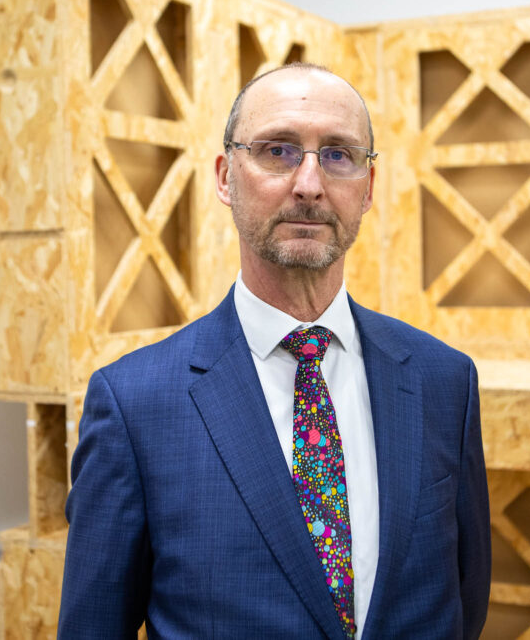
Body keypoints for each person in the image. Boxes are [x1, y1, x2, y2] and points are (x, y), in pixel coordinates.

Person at [58, 62, 491, 639]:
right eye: (278, 151)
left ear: (367, 188)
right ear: (224, 177)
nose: (309, 183)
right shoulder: (135, 407)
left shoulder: (444, 381)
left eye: (338, 154)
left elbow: (465, 598)